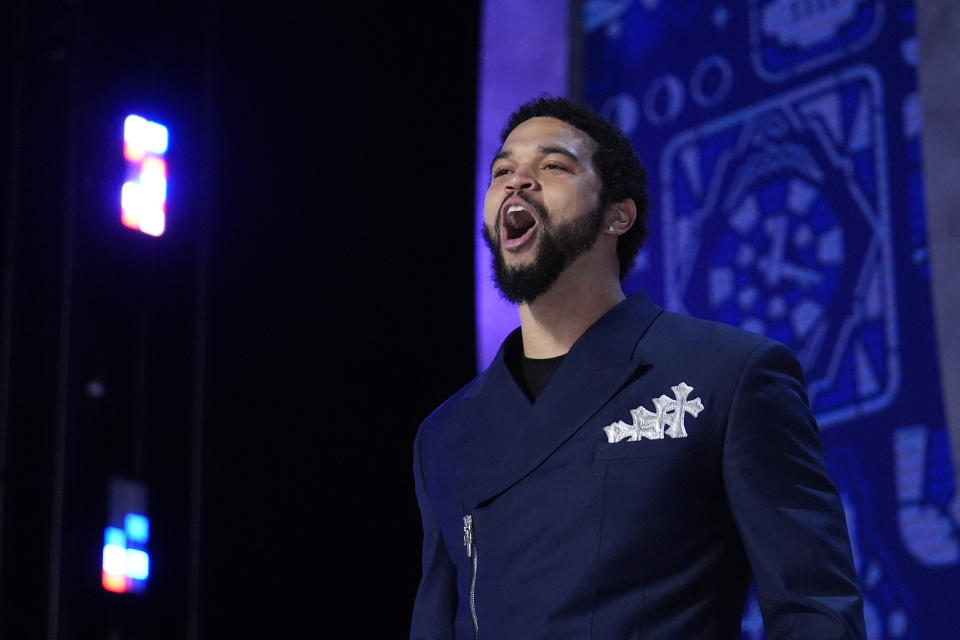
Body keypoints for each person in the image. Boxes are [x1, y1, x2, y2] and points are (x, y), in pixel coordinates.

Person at [410, 96, 865, 639]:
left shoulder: (729, 374)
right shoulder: (445, 434)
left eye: (552, 166)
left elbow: (815, 609)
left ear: (616, 214)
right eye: (502, 170)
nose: (518, 181)